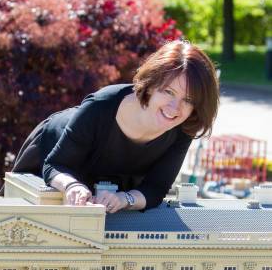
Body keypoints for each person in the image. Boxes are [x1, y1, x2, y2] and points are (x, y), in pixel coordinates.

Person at [12, 40, 219, 213]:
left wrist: (124, 199)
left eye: (189, 100)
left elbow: (156, 189)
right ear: (151, 84)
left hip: (112, 184)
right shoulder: (101, 104)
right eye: (168, 92)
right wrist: (72, 186)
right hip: (57, 158)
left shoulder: (182, 127)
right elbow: (55, 164)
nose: (175, 107)